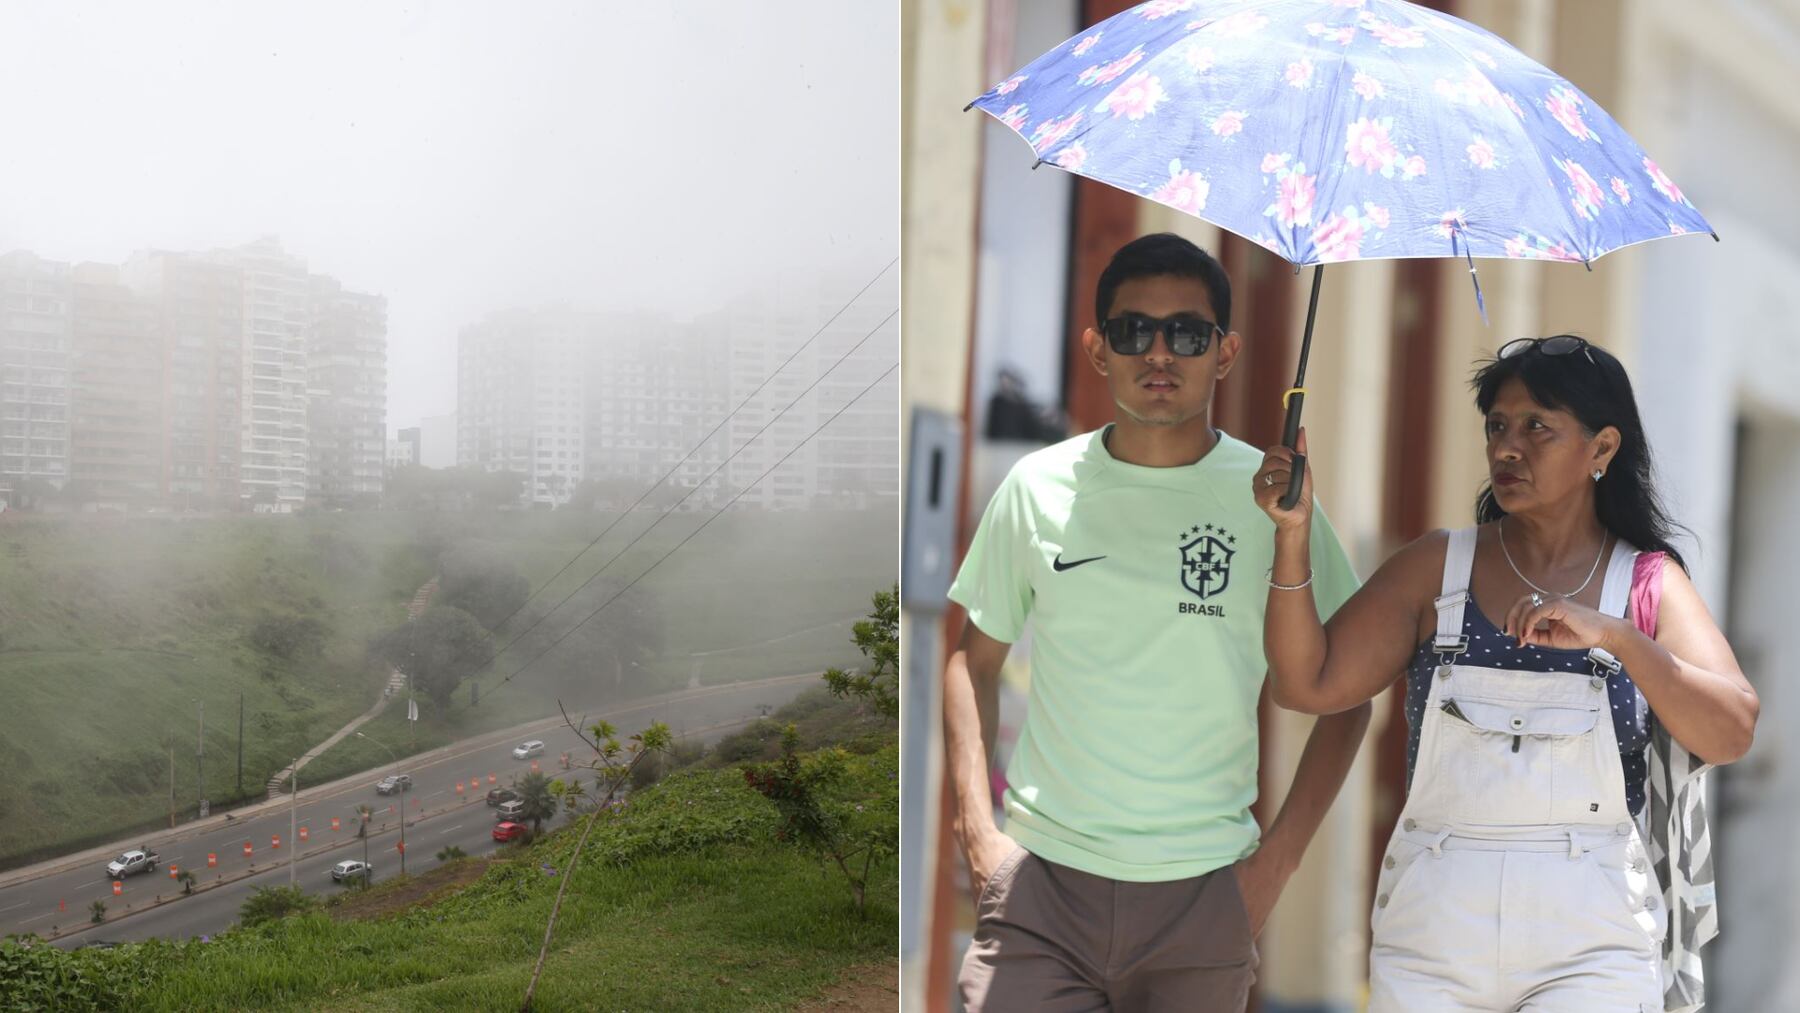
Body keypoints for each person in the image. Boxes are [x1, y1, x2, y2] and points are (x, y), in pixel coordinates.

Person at [1253, 335, 1758, 1012]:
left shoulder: (1646, 584)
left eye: (1537, 428)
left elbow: (1731, 729)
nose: (1506, 447)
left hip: (1593, 938)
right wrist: (1290, 535)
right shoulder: (1438, 567)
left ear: (1602, 449)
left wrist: (1618, 636)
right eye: (1497, 425)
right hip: (1434, 929)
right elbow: (1305, 683)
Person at [944, 233, 1370, 1012]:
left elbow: (1345, 696)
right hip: (1042, 894)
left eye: (1189, 332)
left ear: (1227, 351)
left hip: (1203, 901)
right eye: (1134, 329)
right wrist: (980, 835)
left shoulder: (1277, 505)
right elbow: (970, 664)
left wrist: (1270, 871)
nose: (1160, 351)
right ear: (1098, 349)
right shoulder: (1036, 487)